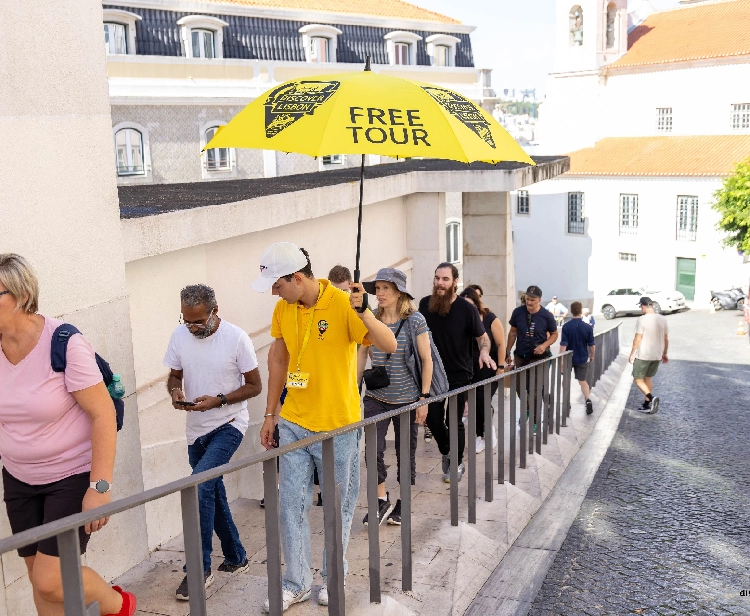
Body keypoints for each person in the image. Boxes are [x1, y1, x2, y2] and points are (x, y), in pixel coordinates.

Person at [254, 243, 396, 612]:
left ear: (296, 278)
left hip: (339, 430)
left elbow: (389, 343)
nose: (273, 291)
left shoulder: (342, 303)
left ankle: (333, 579)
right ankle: (296, 583)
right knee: (290, 506)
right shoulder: (284, 307)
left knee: (338, 510)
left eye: (277, 284)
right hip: (294, 424)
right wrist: (271, 415)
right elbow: (279, 358)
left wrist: (364, 312)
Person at [0, 254, 137, 616]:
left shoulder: (63, 343)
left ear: (22, 294)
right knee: (38, 580)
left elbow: (102, 413)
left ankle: (119, 605)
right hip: (18, 478)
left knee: (50, 579)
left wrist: (100, 487)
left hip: (70, 476)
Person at [164, 284, 262, 601]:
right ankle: (236, 557)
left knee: (199, 485)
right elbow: (174, 375)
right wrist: (175, 392)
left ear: (214, 312)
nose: (192, 327)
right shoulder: (179, 337)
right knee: (212, 490)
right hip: (195, 428)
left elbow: (255, 386)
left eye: (198, 321)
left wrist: (219, 401)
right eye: (186, 320)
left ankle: (199, 569)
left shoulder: (237, 338)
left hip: (229, 423)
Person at [359, 268, 433, 526]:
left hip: (408, 399)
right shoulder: (371, 319)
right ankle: (380, 500)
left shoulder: (415, 320)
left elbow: (426, 359)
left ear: (399, 291)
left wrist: (424, 399)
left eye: (384, 288)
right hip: (376, 397)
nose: (378, 294)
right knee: (373, 450)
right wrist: (354, 387)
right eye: (376, 289)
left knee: (405, 453)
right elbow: (361, 354)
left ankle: (403, 502)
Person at [419, 263, 496, 483]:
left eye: (445, 279)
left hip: (459, 375)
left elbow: (483, 337)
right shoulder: (425, 304)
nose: (440, 283)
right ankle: (448, 451)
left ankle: (457, 462)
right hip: (432, 374)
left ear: (455, 282)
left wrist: (483, 352)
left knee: (453, 420)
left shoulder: (467, 309)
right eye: (437, 279)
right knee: (432, 419)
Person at [459, 287, 506, 453]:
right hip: (469, 368)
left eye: (470, 304)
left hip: (489, 368)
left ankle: (485, 433)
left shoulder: (490, 318)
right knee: (474, 402)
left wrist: (500, 367)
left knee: (481, 400)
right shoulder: (462, 320)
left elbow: (501, 344)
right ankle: (483, 432)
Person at [506, 285, 558, 433]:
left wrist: (544, 345)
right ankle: (528, 409)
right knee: (520, 388)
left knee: (535, 390)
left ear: (539, 300)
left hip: (539, 358)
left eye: (533, 300)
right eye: (528, 299)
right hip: (521, 357)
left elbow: (554, 334)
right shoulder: (518, 312)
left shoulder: (546, 316)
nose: (529, 302)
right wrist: (508, 351)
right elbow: (512, 332)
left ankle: (535, 421)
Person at [628, 297, 668, 414]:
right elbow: (666, 338)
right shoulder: (662, 319)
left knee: (638, 379)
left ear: (643, 306)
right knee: (648, 378)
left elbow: (637, 338)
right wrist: (665, 353)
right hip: (657, 355)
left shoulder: (642, 319)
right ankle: (646, 404)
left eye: (641, 307)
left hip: (644, 354)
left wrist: (632, 353)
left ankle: (651, 398)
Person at [559, 301, 596, 415]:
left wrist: (561, 361)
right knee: (582, 381)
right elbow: (592, 345)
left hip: (569, 358)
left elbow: (563, 345)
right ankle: (588, 399)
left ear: (571, 311)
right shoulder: (587, 327)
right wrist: (592, 355)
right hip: (582, 357)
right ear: (581, 311)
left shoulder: (566, 326)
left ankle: (566, 402)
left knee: (566, 381)